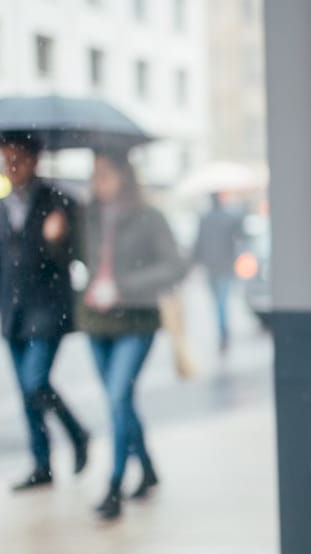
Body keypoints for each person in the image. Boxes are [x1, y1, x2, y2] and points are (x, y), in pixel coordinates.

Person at [76, 149, 186, 520]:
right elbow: (77, 258)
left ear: (124, 175)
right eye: (95, 175)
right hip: (96, 321)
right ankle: (148, 468)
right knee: (119, 401)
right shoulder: (88, 216)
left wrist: (123, 286)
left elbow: (174, 266)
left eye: (106, 174)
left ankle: (115, 484)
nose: (99, 182)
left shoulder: (148, 217)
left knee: (118, 396)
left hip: (136, 319)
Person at [0, 138, 90, 491]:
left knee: (35, 382)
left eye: (17, 159)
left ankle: (77, 433)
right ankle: (42, 464)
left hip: (48, 307)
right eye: (6, 160)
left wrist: (59, 236)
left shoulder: (58, 201)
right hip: (13, 311)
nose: (11, 167)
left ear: (34, 160)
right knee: (26, 393)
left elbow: (77, 253)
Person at [191, 192, 243, 353]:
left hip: (212, 266)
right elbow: (238, 239)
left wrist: (196, 261)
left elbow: (198, 243)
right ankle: (223, 332)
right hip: (224, 266)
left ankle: (223, 332)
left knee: (218, 302)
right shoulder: (229, 217)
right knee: (222, 301)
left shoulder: (205, 218)